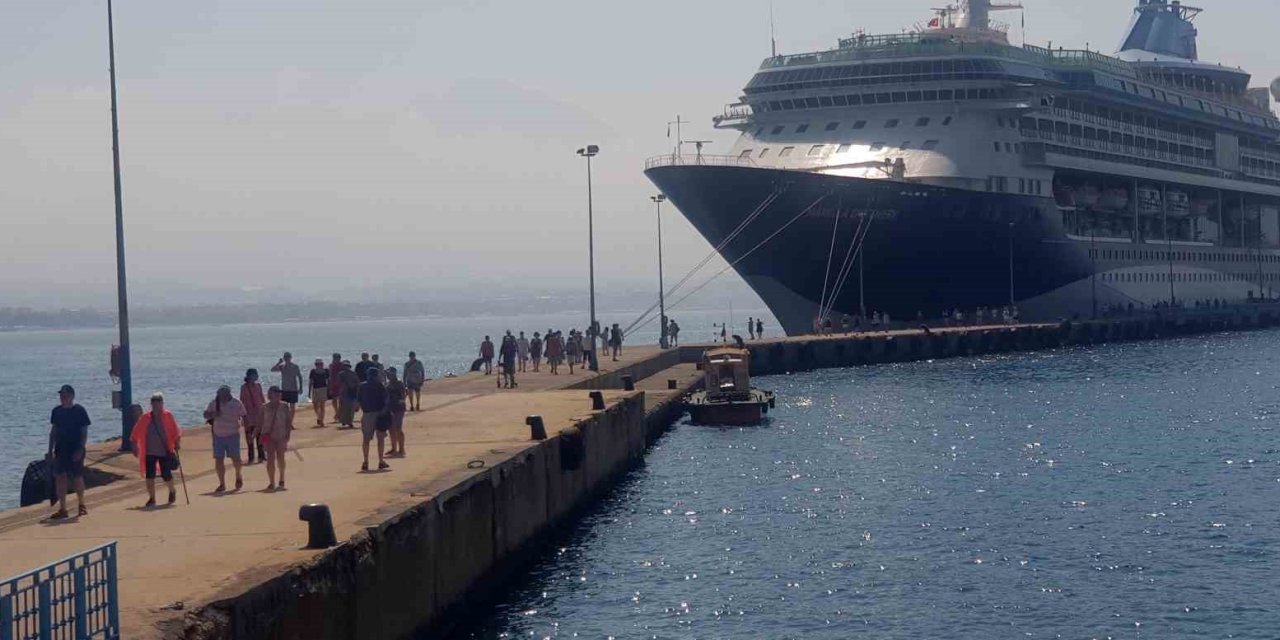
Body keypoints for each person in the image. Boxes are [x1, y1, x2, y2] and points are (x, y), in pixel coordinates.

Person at [129, 393, 181, 508]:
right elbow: (135, 432)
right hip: (149, 451)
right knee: (150, 476)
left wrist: (177, 443)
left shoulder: (168, 415)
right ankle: (152, 498)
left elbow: (175, 431)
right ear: (151, 404)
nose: (156, 406)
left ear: (162, 404)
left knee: (166, 475)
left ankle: (172, 490)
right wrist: (134, 445)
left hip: (165, 451)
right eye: (154, 404)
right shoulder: (146, 417)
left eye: (158, 404)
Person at [47, 384, 90, 520]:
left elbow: (84, 432)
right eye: (61, 396)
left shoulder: (79, 410)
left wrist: (81, 448)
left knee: (77, 477)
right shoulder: (56, 411)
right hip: (61, 449)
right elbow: (53, 431)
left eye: (65, 395)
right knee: (60, 477)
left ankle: (82, 504)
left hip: (75, 448)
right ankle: (63, 508)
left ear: (72, 396)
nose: (62, 398)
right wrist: (49, 450)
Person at [204, 385, 245, 493]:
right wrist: (213, 414)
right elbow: (205, 414)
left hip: (233, 434)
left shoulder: (236, 403)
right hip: (218, 435)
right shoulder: (214, 403)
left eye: (223, 395)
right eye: (219, 395)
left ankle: (238, 475)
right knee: (219, 459)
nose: (221, 397)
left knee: (236, 458)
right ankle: (222, 483)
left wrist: (248, 428)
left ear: (228, 394)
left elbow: (244, 415)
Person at [259, 386, 292, 491]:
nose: (278, 395)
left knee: (281, 457)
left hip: (281, 435)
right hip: (267, 435)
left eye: (279, 393)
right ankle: (271, 482)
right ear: (270, 394)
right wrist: (256, 435)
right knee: (270, 458)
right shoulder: (264, 407)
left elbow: (288, 421)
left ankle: (282, 478)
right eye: (275, 393)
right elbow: (260, 423)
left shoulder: (285, 406)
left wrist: (288, 434)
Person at [358, 367, 390, 471]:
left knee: (366, 440)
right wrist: (384, 412)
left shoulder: (362, 386)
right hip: (379, 413)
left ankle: (366, 461)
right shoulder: (379, 385)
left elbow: (358, 401)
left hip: (367, 414)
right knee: (380, 439)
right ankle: (380, 461)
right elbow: (386, 400)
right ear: (376, 375)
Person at [239, 369, 266, 463]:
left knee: (260, 435)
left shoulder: (258, 386)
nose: (257, 376)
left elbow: (262, 399)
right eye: (255, 375)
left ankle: (261, 455)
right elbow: (242, 401)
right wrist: (242, 415)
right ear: (250, 376)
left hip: (258, 414)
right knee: (249, 435)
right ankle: (251, 456)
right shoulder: (244, 388)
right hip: (249, 415)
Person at [271, 352, 304, 420]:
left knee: (292, 407)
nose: (287, 359)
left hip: (293, 389)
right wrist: (279, 362)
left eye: (288, 357)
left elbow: (299, 377)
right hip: (285, 389)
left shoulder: (295, 367)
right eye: (285, 357)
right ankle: (286, 421)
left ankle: (290, 422)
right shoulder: (282, 367)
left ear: (290, 358)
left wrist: (300, 388)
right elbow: (272, 370)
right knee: (284, 407)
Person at [385, 367, 408, 458]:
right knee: (391, 428)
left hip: (398, 408)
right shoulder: (388, 384)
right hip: (390, 408)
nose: (387, 375)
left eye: (389, 374)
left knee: (398, 428)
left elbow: (403, 395)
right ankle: (393, 448)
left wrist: (401, 400)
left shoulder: (399, 383)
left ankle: (401, 449)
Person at [337, 360, 360, 429]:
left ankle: (350, 422)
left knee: (351, 409)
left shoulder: (353, 374)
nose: (346, 367)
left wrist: (357, 391)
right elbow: (338, 383)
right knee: (344, 408)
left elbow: (357, 383)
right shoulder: (341, 374)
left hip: (352, 393)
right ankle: (345, 420)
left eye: (347, 366)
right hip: (344, 393)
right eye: (344, 366)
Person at [309, 359, 330, 427]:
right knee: (315, 404)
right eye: (317, 364)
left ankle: (321, 420)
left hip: (323, 388)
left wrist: (329, 389)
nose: (319, 365)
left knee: (322, 405)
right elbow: (311, 381)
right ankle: (319, 416)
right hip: (315, 389)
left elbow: (328, 380)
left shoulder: (326, 371)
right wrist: (309, 392)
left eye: (320, 364)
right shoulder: (313, 371)